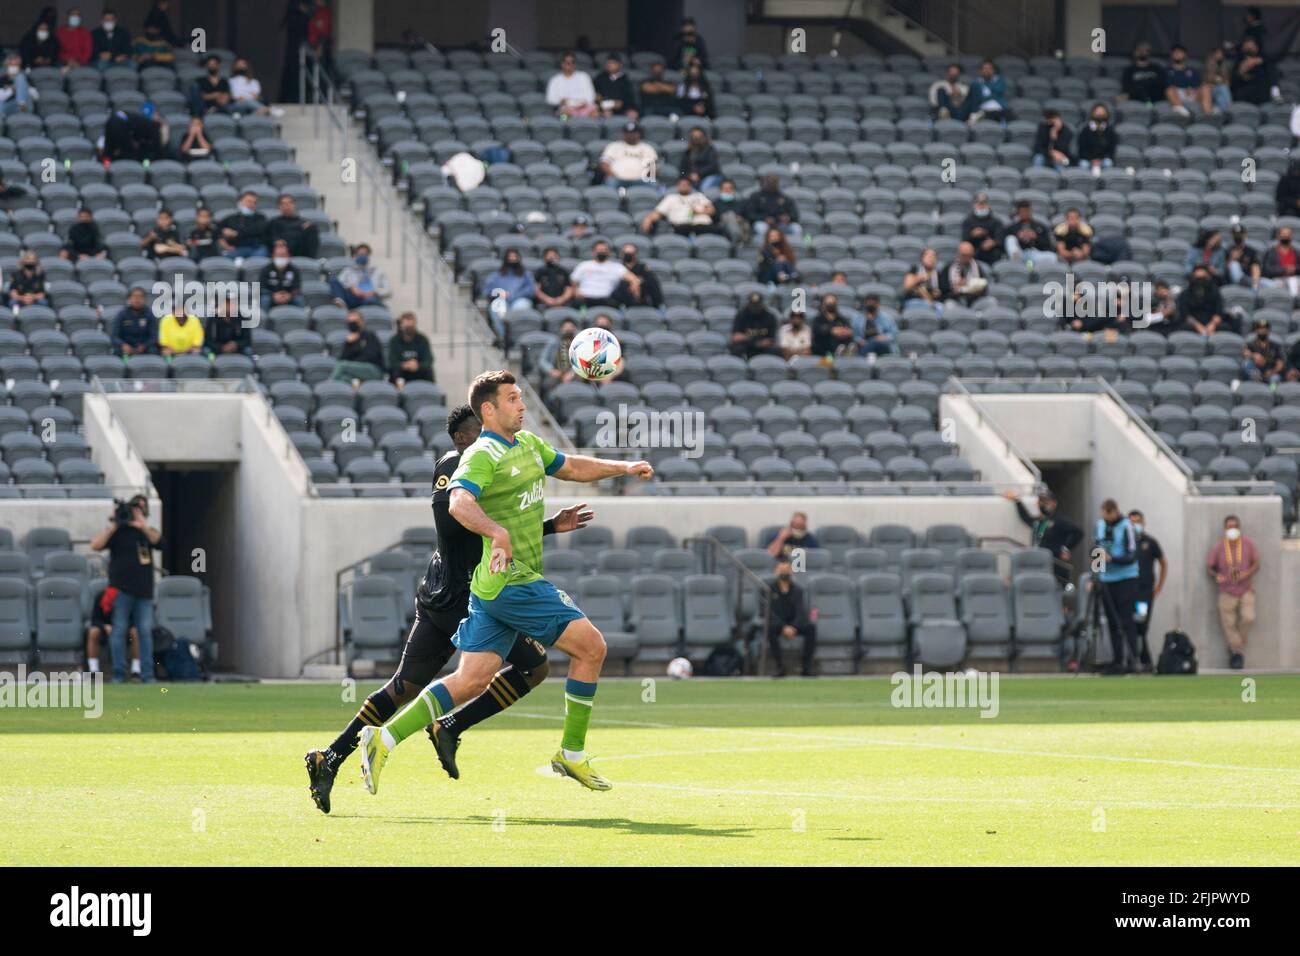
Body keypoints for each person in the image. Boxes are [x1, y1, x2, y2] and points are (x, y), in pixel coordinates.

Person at [357, 370, 655, 795]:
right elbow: (459, 502)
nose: (522, 405)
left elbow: (570, 466)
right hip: (514, 581)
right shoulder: (482, 453)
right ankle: (571, 754)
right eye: (513, 399)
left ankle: (382, 738)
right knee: (592, 648)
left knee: (470, 681)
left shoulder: (529, 445)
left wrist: (622, 466)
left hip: (489, 587)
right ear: (488, 409)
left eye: (521, 397)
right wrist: (497, 532)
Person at [305, 404, 594, 812]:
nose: (494, 434)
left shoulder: (493, 462)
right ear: (462, 436)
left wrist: (547, 525)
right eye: (483, 428)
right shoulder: (457, 465)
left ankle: (329, 757)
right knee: (532, 667)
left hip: (449, 593)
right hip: (467, 595)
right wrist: (498, 523)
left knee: (406, 685)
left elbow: (497, 528)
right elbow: (456, 525)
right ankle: (451, 725)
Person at [89, 495, 163, 684]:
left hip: (144, 590)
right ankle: (119, 673)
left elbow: (160, 542)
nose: (137, 511)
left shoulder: (146, 531)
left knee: (144, 631)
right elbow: (95, 545)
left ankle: (147, 674)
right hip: (120, 589)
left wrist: (142, 525)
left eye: (141, 508)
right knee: (119, 630)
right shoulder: (117, 531)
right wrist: (114, 524)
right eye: (135, 508)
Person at [1093, 499, 1141, 675]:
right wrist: (1096, 576)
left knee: (1126, 620)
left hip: (1126, 578)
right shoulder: (1099, 525)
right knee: (1112, 622)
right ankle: (1117, 660)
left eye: (1107, 515)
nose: (1105, 519)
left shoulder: (1127, 526)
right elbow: (1097, 550)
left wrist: (1112, 559)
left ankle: (1132, 660)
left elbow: (1132, 555)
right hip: (1107, 579)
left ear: (1113, 512)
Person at [1206, 515, 1258, 669]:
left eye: (1235, 526)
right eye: (1229, 527)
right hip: (1226, 590)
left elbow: (1257, 563)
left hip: (1245, 588)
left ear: (1239, 528)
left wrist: (1246, 574)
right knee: (1228, 623)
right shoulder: (1219, 546)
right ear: (1225, 529)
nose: (1232, 529)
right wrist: (1217, 576)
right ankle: (1237, 653)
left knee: (1249, 617)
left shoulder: (1248, 544)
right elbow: (1209, 567)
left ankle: (1235, 646)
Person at [1003, 488, 1081, 586]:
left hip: (1054, 564)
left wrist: (1066, 548)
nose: (1044, 504)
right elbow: (1026, 517)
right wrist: (1017, 500)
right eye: (1042, 502)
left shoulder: (1059, 520)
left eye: (1047, 501)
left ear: (1054, 503)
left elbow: (1078, 532)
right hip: (1038, 563)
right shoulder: (1038, 522)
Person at [1127, 509, 1167, 672]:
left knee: (1141, 624)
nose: (1136, 525)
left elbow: (1163, 562)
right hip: (1127, 590)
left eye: (1138, 521)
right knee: (1128, 624)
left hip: (1144, 592)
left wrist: (1158, 586)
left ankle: (1142, 658)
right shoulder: (1124, 542)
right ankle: (1134, 657)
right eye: (1132, 522)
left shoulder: (1150, 542)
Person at [767, 559, 816, 678]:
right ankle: (780, 667)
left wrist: (793, 627)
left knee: (810, 627)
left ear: (792, 572)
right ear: (775, 571)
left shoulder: (798, 590)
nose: (784, 573)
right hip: (778, 624)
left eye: (787, 570)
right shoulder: (768, 589)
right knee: (770, 629)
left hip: (794, 624)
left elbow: (800, 612)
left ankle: (806, 667)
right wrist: (783, 627)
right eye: (781, 570)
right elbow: (769, 612)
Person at [85, 584, 139, 678]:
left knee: (135, 632)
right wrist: (104, 626)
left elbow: (134, 619)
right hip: (105, 630)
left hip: (125, 629)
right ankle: (93, 670)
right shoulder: (101, 596)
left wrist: (122, 627)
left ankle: (136, 670)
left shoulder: (129, 597)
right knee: (93, 632)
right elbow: (95, 619)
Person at [481, 248, 536, 340]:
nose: (512, 259)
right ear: (505, 258)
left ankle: (518, 338)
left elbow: (531, 289)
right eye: (510, 256)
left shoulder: (526, 274)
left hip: (520, 299)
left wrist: (516, 295)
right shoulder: (496, 275)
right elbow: (487, 290)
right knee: (497, 307)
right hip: (502, 300)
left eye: (515, 256)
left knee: (520, 308)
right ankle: (505, 338)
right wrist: (499, 293)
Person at [641, 175, 721, 237]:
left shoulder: (699, 196)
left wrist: (699, 212)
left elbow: (712, 210)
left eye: (686, 184)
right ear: (678, 186)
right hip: (681, 226)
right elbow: (658, 212)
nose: (684, 186)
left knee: (716, 230)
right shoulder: (671, 198)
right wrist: (649, 219)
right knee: (683, 229)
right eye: (682, 184)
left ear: (690, 186)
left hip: (702, 226)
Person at [569, 240, 639, 308]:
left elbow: (633, 279)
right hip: (584, 298)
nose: (601, 251)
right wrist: (576, 291)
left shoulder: (616, 267)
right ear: (593, 252)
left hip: (607, 300)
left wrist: (634, 285)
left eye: (604, 249)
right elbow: (573, 280)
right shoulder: (584, 265)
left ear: (609, 252)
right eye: (599, 249)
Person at [742, 173, 800, 244]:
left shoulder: (785, 198)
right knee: (760, 227)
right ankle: (766, 249)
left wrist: (788, 218)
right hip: (764, 224)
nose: (772, 183)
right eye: (770, 181)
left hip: (781, 225)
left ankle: (791, 249)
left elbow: (795, 215)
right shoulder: (756, 197)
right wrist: (764, 219)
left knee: (796, 228)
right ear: (765, 182)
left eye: (774, 181)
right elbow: (750, 214)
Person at [599, 120, 657, 189]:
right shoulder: (614, 146)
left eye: (634, 133)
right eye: (628, 133)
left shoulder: (647, 148)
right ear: (624, 134)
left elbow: (653, 168)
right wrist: (612, 175)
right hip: (617, 179)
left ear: (639, 134)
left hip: (641, 180)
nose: (631, 135)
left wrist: (646, 176)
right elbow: (604, 164)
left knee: (652, 184)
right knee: (610, 182)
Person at [329, 243, 390, 308]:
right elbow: (339, 283)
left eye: (365, 255)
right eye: (361, 254)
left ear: (368, 257)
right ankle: (341, 303)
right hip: (354, 298)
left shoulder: (378, 272)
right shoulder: (348, 270)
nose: (363, 257)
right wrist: (351, 288)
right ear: (355, 256)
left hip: (371, 298)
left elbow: (388, 291)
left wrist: (374, 292)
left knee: (370, 300)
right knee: (333, 280)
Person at [1176, 264, 1230, 336]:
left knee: (1225, 327)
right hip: (1193, 324)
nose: (1200, 282)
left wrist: (1212, 325)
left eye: (1203, 278)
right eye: (1198, 278)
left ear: (1208, 277)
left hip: (1211, 323)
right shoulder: (1186, 293)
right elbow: (1186, 315)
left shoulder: (1215, 292)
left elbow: (1219, 313)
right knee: (1183, 327)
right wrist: (1198, 327)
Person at [331, 310, 385, 383]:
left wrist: (352, 363)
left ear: (362, 322)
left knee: (342, 365)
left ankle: (328, 385)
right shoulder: (349, 340)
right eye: (350, 322)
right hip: (355, 372)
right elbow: (342, 358)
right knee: (342, 378)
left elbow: (371, 355)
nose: (353, 324)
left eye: (355, 322)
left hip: (373, 370)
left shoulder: (369, 336)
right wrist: (348, 344)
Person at [1002, 200, 1055, 268]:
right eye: (1022, 212)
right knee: (1010, 238)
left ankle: (1029, 266)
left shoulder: (1040, 226)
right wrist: (1018, 236)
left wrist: (1036, 237)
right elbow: (1004, 243)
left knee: (1052, 257)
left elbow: (1048, 244)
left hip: (1035, 253)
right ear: (1018, 213)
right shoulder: (1012, 227)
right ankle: (1016, 261)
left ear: (1030, 211)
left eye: (1026, 211)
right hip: (1020, 252)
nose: (1024, 214)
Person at [387, 311, 434, 386]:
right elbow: (392, 361)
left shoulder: (423, 339)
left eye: (411, 327)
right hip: (402, 371)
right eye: (407, 327)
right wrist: (404, 365)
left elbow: (429, 360)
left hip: (418, 369)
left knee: (429, 371)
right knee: (395, 372)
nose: (409, 329)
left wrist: (417, 365)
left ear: (415, 325)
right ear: (401, 326)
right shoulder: (394, 341)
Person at [545, 51, 598, 118]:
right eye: (567, 62)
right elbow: (550, 99)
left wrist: (583, 104)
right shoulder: (555, 79)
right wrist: (561, 101)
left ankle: (590, 127)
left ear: (575, 64)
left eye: (572, 62)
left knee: (595, 114)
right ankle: (564, 126)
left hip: (584, 106)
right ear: (562, 63)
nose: (569, 64)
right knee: (563, 116)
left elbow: (591, 95)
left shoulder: (584, 76)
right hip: (566, 108)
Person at [101, 109, 165, 163]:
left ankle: (106, 166)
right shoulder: (152, 126)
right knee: (129, 155)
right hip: (120, 123)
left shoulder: (145, 122)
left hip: (113, 120)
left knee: (108, 150)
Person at [266, 194, 319, 259]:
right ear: (279, 207)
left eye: (289, 204)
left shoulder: (302, 222)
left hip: (299, 249)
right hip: (283, 249)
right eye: (284, 204)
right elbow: (272, 236)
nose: (287, 207)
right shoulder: (274, 221)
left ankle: (311, 260)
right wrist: (277, 240)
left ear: (294, 205)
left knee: (311, 228)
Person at [219, 191, 268, 259]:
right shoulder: (232, 218)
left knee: (259, 259)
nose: (252, 205)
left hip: (256, 248)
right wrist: (224, 235)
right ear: (240, 202)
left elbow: (255, 230)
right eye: (249, 201)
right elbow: (217, 229)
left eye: (254, 202)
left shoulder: (260, 218)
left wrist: (236, 233)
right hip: (237, 248)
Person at [1230, 34, 1277, 105]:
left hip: (1261, 94)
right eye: (1247, 47)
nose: (1249, 49)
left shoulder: (1264, 60)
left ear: (1257, 48)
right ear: (1243, 48)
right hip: (1244, 94)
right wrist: (1241, 71)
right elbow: (1233, 81)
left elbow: (1272, 71)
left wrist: (1258, 61)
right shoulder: (1238, 61)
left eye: (1251, 47)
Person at [729, 292, 780, 358]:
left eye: (757, 305)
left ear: (762, 304)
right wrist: (755, 342)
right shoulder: (741, 315)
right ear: (748, 304)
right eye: (753, 305)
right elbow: (736, 337)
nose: (755, 308)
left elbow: (770, 340)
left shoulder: (770, 317)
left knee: (774, 350)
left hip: (762, 347)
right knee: (737, 349)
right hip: (746, 346)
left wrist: (747, 337)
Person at [938, 242, 989, 306]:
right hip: (954, 299)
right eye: (963, 255)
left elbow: (984, 287)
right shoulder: (948, 268)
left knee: (990, 301)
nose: (966, 258)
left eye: (969, 255)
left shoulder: (977, 268)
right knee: (949, 305)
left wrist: (969, 285)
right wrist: (955, 287)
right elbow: (943, 288)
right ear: (958, 254)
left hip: (974, 299)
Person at [112, 288, 159, 356]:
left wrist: (144, 346)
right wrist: (123, 345)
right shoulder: (122, 314)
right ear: (129, 299)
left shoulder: (149, 315)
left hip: (144, 347)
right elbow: (114, 336)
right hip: (126, 346)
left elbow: (154, 337)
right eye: (134, 297)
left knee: (153, 351)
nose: (137, 300)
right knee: (116, 351)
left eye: (140, 297)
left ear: (144, 300)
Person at [961, 192, 1003, 265]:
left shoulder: (996, 222)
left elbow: (1000, 239)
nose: (981, 206)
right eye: (979, 203)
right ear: (974, 205)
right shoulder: (968, 221)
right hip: (974, 253)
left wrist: (993, 242)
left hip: (992, 254)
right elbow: (964, 240)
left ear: (988, 205)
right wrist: (972, 235)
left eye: (984, 203)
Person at [259, 239, 303, 310]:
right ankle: (264, 320)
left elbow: (297, 288)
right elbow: (262, 288)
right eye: (279, 256)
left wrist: (289, 296)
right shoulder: (266, 270)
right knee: (264, 299)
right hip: (271, 297)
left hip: (289, 297)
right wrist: (273, 296)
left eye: (283, 256)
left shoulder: (294, 270)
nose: (281, 258)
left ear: (288, 257)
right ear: (273, 256)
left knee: (299, 299)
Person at [679, 127, 723, 192]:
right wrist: (689, 175)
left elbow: (712, 166)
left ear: (704, 137)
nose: (696, 138)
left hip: (710, 176)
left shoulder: (710, 150)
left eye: (699, 136)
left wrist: (699, 174)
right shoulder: (687, 152)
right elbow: (682, 169)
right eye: (694, 136)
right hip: (692, 178)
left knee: (704, 189)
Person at [593, 53, 636, 118]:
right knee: (605, 114)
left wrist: (622, 104)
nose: (609, 65)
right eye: (608, 63)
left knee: (632, 114)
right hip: (604, 107)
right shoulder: (600, 78)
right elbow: (595, 95)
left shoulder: (625, 79)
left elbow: (629, 97)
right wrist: (600, 99)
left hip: (622, 107)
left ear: (620, 65)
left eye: (613, 63)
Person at [1242, 318, 1285, 383]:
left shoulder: (1276, 346)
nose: (1263, 330)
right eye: (1260, 328)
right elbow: (1245, 353)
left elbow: (1280, 363)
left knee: (1276, 379)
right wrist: (1254, 355)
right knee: (1246, 363)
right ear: (1256, 330)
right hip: (1255, 372)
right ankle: (1258, 382)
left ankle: (1272, 392)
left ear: (1268, 330)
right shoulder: (1250, 345)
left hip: (1270, 372)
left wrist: (1272, 372)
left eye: (1265, 328)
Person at [965, 59, 1008, 125]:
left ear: (993, 70)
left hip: (999, 109)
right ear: (980, 71)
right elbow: (976, 98)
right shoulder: (976, 83)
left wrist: (985, 95)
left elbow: (997, 93)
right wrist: (991, 93)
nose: (987, 70)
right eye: (984, 68)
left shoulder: (1000, 80)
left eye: (989, 68)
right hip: (982, 109)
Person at [1262, 225, 1300, 297]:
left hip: (1295, 278)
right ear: (1278, 236)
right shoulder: (1271, 252)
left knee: (1293, 281)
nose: (1286, 236)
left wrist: (1294, 269)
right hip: (1278, 279)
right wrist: (1285, 270)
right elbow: (1268, 270)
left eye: (1288, 234)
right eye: (1284, 234)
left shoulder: (1296, 252)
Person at [1076, 103, 1117, 170]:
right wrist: (1092, 160)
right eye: (1098, 112)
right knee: (1083, 164)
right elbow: (1082, 149)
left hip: (1103, 159)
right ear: (1092, 113)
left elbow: (1111, 150)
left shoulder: (1110, 131)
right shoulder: (1085, 130)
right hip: (1087, 159)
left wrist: (1100, 160)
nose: (1100, 114)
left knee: (1108, 163)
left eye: (1102, 112)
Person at [1165, 45, 1200, 117]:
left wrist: (1193, 89)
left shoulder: (1192, 71)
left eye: (1180, 52)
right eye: (1175, 52)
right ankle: (1186, 114)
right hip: (1176, 94)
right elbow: (1167, 85)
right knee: (1170, 90)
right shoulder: (1167, 71)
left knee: (1206, 88)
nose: (1177, 54)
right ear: (1171, 55)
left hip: (1191, 93)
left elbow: (1197, 85)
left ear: (1185, 55)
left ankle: (1209, 115)